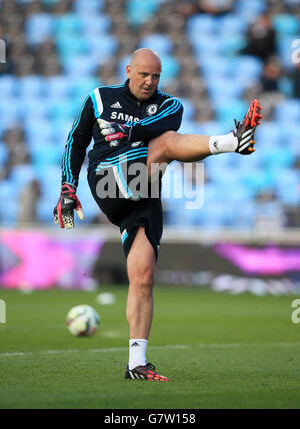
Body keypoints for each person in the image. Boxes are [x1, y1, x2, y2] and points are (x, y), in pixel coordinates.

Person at [54, 48, 262, 381]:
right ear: (128, 70)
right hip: (108, 178)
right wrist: (68, 187)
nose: (149, 81)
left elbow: (165, 123)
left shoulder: (170, 105)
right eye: (143, 74)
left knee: (144, 276)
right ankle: (233, 141)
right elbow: (74, 143)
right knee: (165, 145)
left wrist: (130, 133)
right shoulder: (99, 98)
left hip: (143, 194)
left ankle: (136, 363)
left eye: (155, 76)